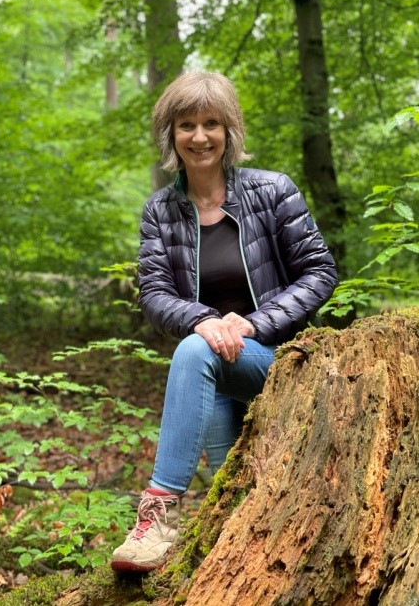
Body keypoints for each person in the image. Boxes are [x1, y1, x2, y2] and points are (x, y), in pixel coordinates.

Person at [110, 71, 337, 572]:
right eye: (186, 125)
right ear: (171, 134)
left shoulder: (272, 191)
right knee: (234, 498)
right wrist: (203, 319)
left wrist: (252, 324)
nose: (200, 136)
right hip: (214, 372)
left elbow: (320, 272)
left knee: (195, 350)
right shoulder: (160, 211)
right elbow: (154, 294)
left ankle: (157, 519)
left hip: (281, 362)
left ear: (229, 129)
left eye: (211, 123)